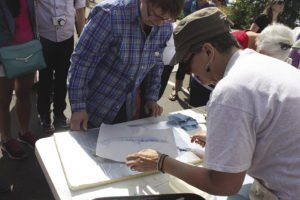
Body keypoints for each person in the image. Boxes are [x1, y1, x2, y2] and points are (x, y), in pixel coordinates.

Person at [126, 7, 300, 199]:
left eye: (185, 64)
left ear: (208, 51)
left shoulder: (232, 89)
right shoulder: (261, 64)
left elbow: (224, 185)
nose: (189, 72)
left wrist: (161, 162)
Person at [67, 0, 184, 131]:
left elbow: (156, 64)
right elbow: (82, 63)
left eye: (167, 19)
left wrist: (151, 97)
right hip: (95, 110)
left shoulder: (164, 27)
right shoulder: (109, 15)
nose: (159, 23)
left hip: (129, 110)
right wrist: (78, 108)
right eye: (157, 15)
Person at [36, 0, 86, 132]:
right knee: (44, 77)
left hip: (66, 37)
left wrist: (82, 37)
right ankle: (43, 114)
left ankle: (59, 113)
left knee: (63, 77)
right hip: (44, 36)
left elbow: (80, 10)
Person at [0, 0, 38, 159]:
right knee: (3, 100)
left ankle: (24, 132)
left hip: (28, 48)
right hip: (4, 50)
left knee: (24, 94)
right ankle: (7, 139)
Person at [169, 0, 215, 102]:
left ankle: (191, 86)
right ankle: (176, 89)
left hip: (202, 41)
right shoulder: (188, 3)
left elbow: (211, 25)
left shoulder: (211, 6)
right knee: (182, 65)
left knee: (197, 66)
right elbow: (179, 18)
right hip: (188, 39)